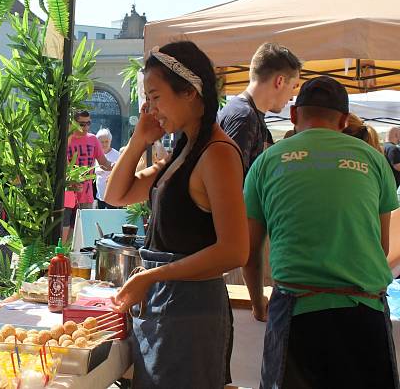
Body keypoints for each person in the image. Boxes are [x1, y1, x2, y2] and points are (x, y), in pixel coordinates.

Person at [104, 41, 249, 389]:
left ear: (190, 93)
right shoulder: (184, 148)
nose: (150, 108)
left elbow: (235, 250)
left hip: (191, 312)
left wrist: (151, 278)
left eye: (155, 97)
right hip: (170, 307)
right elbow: (116, 194)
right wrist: (139, 138)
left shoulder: (217, 154)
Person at [243, 76, 399, 388]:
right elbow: (381, 246)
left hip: (297, 312)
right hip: (363, 311)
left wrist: (259, 305)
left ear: (293, 115)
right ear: (343, 120)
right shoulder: (373, 159)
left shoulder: (266, 161)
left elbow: (251, 253)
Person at [217, 42, 301, 173]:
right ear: (280, 81)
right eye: (294, 86)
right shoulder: (244, 116)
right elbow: (229, 182)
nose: (292, 95)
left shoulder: (245, 112)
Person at [63, 110, 114, 239]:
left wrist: (116, 166)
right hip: (67, 192)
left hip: (85, 194)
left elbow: (103, 162)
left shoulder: (93, 139)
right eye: (82, 124)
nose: (86, 127)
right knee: (63, 232)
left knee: (80, 235)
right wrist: (68, 137)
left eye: (88, 123)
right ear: (73, 123)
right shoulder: (66, 139)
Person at [95, 128, 121, 209]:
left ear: (110, 141)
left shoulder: (117, 155)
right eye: (101, 142)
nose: (104, 144)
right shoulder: (96, 154)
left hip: (112, 196)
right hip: (100, 196)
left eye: (106, 141)